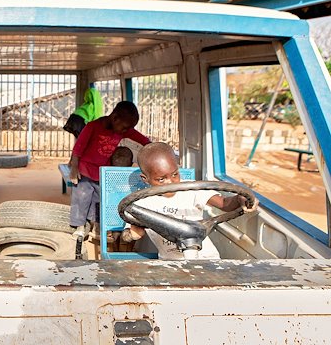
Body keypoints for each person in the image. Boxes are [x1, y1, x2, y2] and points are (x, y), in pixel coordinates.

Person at [121, 142, 258, 259]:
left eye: (175, 174)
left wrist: (240, 199)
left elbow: (225, 203)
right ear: (145, 179)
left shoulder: (191, 189)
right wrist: (132, 234)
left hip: (207, 258)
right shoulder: (141, 205)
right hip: (171, 264)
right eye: (161, 179)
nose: (171, 182)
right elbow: (126, 235)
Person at [69, 101, 150, 238]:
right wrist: (74, 167)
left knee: (99, 201)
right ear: (114, 118)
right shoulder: (92, 126)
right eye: (124, 128)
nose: (126, 131)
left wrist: (152, 147)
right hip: (85, 171)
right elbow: (79, 147)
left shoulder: (122, 129)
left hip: (102, 174)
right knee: (81, 198)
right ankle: (80, 226)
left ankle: (96, 227)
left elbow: (142, 139)